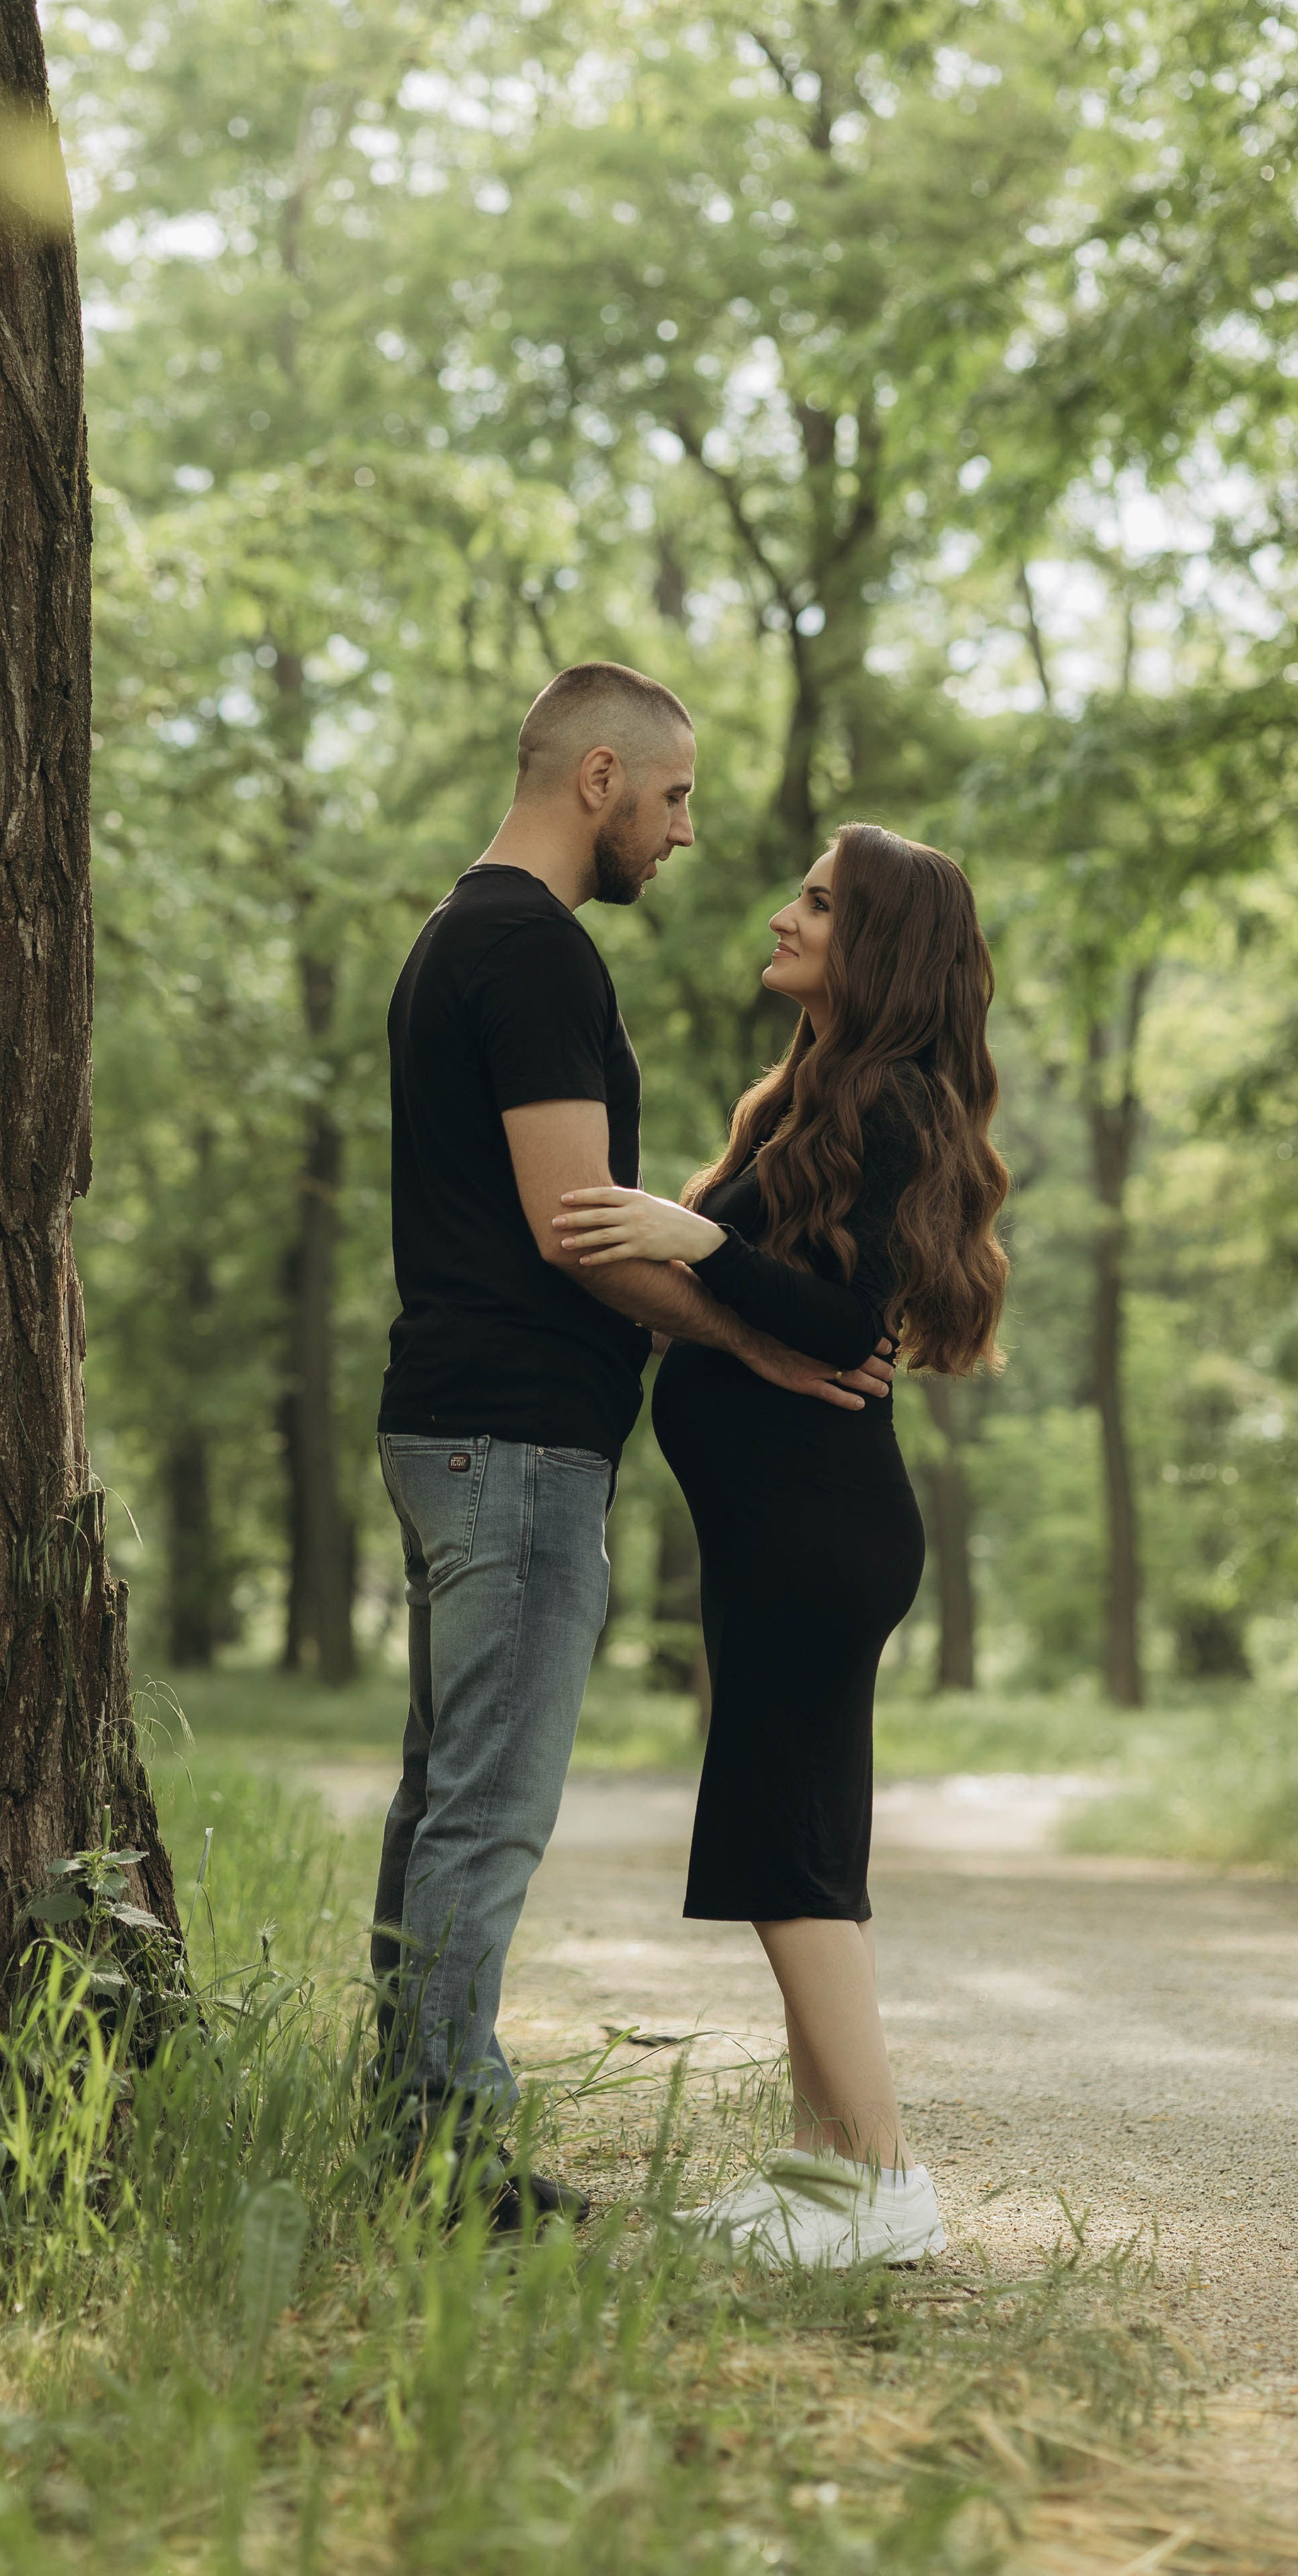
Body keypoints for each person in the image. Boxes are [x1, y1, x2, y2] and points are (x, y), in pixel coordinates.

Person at [372, 665, 895, 2228]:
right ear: (597, 777)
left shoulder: (462, 937)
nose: (682, 834)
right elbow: (575, 1227)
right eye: (670, 798)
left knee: (437, 1795)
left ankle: (410, 2125)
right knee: (487, 1807)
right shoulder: (532, 953)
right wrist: (752, 1333)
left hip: (460, 1423)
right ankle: (451, 2162)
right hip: (511, 1438)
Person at [556, 821, 1009, 2266]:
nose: (780, 913)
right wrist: (712, 1252)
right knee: (788, 1843)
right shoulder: (811, 1098)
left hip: (816, 1532)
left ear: (876, 945)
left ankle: (880, 2184)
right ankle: (821, 2174)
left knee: (787, 1855)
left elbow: (842, 1324)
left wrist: (687, 1244)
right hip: (786, 1530)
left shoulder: (887, 1105)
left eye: (815, 904)